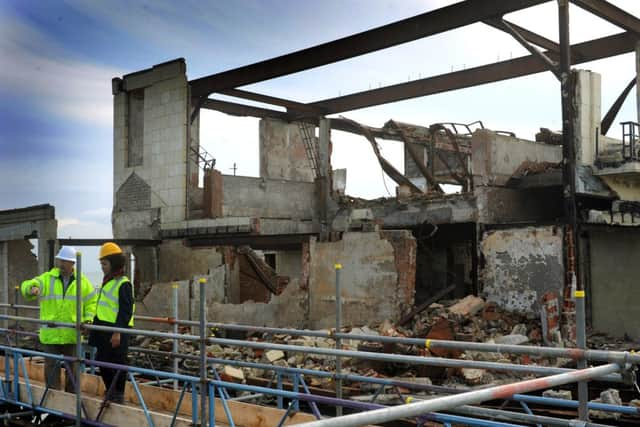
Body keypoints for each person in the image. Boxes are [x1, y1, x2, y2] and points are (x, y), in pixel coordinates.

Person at [21, 245, 97, 392]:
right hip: (51, 335)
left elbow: (91, 304)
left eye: (65, 261)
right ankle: (52, 397)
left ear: (73, 263)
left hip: (72, 335)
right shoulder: (48, 278)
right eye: (60, 261)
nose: (61, 264)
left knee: (73, 368)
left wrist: (88, 320)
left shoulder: (83, 282)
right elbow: (28, 284)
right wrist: (31, 288)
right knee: (51, 368)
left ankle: (72, 396)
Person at [89, 242, 134, 404]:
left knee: (117, 363)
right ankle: (111, 391)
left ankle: (118, 394)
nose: (102, 267)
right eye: (101, 264)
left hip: (116, 330)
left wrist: (117, 332)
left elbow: (125, 311)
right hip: (103, 328)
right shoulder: (108, 281)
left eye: (105, 264)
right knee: (102, 360)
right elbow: (103, 306)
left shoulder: (124, 284)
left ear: (114, 264)